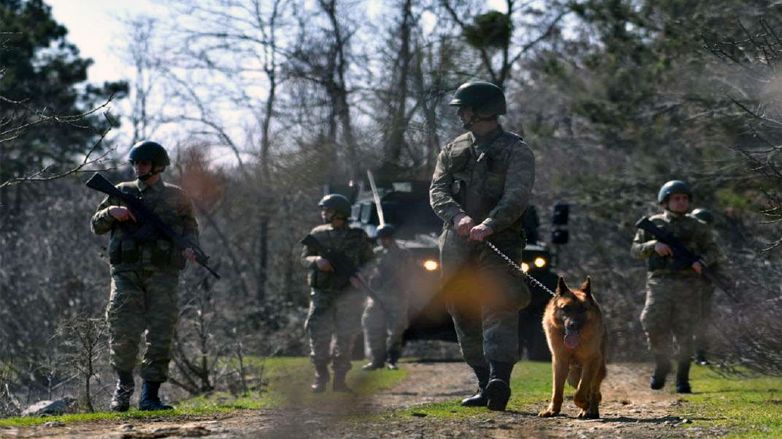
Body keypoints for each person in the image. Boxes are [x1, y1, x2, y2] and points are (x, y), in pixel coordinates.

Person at [429, 80, 535, 411]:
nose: (460, 113)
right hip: (457, 243)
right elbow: (437, 191)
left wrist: (490, 224)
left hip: (499, 240)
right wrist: (458, 218)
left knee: (499, 304)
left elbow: (517, 196)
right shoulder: (452, 149)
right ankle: (482, 381)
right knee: (461, 308)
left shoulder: (517, 150)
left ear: (480, 110)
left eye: (464, 108)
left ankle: (499, 379)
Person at [91, 140, 199, 412]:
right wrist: (110, 212)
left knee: (161, 333)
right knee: (123, 329)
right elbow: (96, 226)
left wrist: (192, 250)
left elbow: (190, 231)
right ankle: (123, 389)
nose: (139, 167)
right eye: (136, 163)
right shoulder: (120, 192)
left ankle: (150, 396)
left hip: (164, 275)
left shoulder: (178, 197)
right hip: (126, 274)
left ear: (158, 166)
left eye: (144, 163)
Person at [631, 180, 720, 393]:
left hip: (688, 284)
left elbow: (714, 250)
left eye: (684, 199)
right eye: (676, 199)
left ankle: (682, 378)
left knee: (685, 331)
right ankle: (662, 363)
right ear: (666, 202)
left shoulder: (698, 227)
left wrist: (702, 262)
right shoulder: (654, 224)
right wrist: (654, 245)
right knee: (652, 323)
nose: (681, 202)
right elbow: (635, 250)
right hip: (659, 282)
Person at [301, 194, 374, 392]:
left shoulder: (357, 236)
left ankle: (340, 379)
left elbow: (370, 261)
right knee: (318, 336)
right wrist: (317, 261)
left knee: (346, 337)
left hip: (348, 295)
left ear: (338, 212)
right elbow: (303, 258)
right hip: (322, 294)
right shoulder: (318, 233)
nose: (323, 213)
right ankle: (320, 375)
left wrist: (361, 277)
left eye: (327, 209)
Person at [361, 224, 411, 371]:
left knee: (396, 329)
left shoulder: (402, 254)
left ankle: (392, 359)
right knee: (371, 325)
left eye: (386, 238)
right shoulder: (375, 253)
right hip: (376, 296)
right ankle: (377, 359)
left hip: (397, 296)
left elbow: (406, 273)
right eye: (381, 238)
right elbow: (367, 270)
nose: (383, 241)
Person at [689, 207, 723, 365]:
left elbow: (717, 265)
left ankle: (701, 354)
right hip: (684, 287)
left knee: (703, 321)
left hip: (704, 287)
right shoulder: (686, 242)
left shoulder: (710, 245)